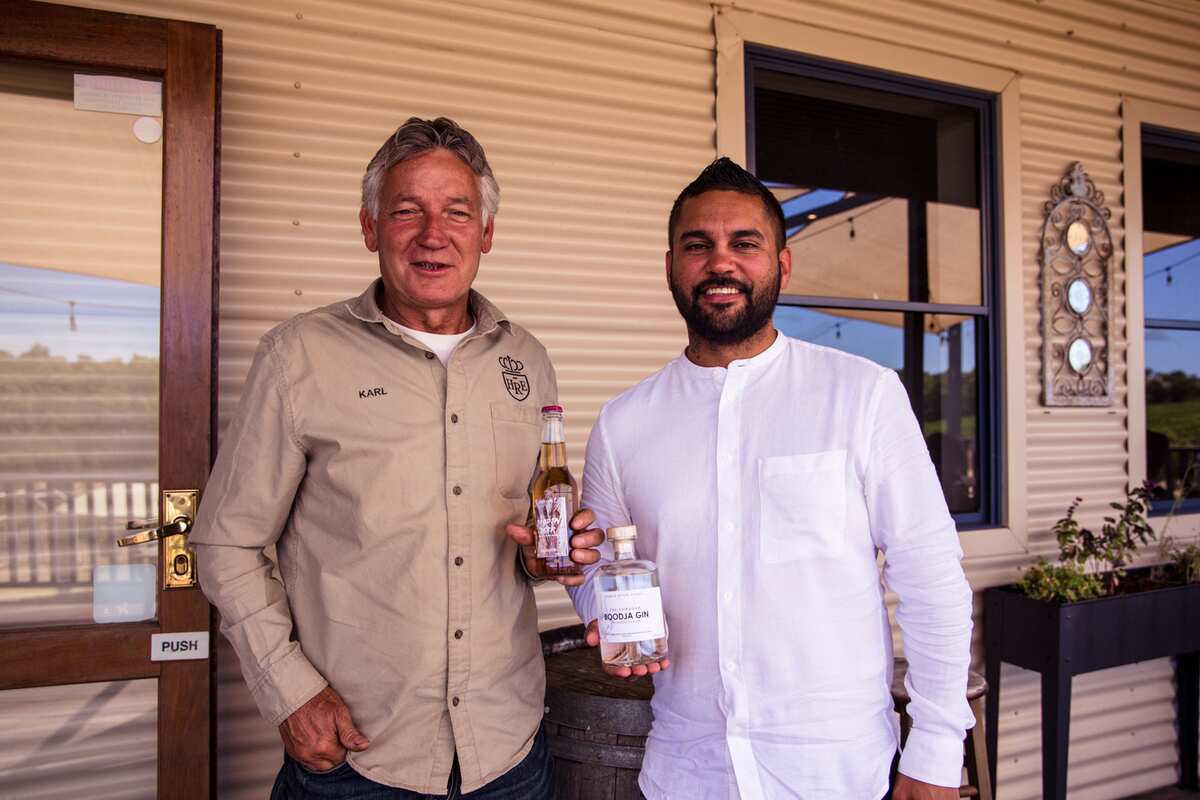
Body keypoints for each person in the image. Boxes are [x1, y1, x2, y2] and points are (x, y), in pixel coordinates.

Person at [190, 117, 602, 799]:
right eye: (407, 210)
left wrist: (548, 553)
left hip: (509, 752)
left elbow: (525, 535)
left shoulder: (525, 359)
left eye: (456, 212)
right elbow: (226, 542)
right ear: (369, 227)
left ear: (486, 234)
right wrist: (289, 692)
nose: (432, 234)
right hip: (358, 756)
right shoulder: (300, 357)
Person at [567, 158, 975, 799]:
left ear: (782, 265)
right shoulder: (623, 424)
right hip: (686, 772)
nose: (719, 263)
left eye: (744, 244)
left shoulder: (862, 395)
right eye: (697, 246)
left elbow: (931, 578)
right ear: (670, 265)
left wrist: (936, 750)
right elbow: (600, 570)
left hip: (834, 773)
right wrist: (599, 604)